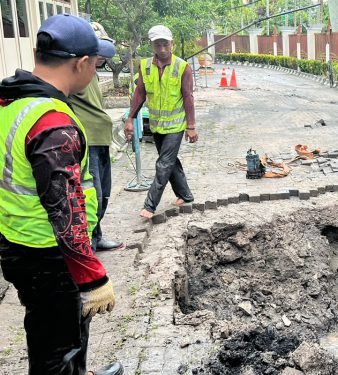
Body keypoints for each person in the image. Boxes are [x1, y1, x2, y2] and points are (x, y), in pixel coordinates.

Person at [0, 14, 122, 375]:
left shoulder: (13, 103)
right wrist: (92, 276)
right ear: (82, 63)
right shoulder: (51, 122)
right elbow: (64, 211)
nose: (96, 73)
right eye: (97, 65)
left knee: (49, 331)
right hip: (49, 254)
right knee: (58, 348)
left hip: (19, 243)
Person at [124, 25, 198, 219]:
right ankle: (185, 194)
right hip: (157, 126)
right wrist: (130, 118)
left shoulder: (183, 67)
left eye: (166, 44)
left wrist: (191, 126)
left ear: (171, 43)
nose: (162, 49)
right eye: (158, 45)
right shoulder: (145, 66)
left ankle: (150, 205)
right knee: (170, 161)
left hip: (176, 125)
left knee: (163, 164)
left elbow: (188, 97)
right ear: (152, 45)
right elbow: (140, 94)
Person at [70, 34, 125, 252]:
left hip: (101, 138)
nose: (100, 60)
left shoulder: (92, 74)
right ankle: (88, 245)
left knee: (104, 192)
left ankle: (97, 236)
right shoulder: (76, 72)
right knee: (93, 195)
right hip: (88, 141)